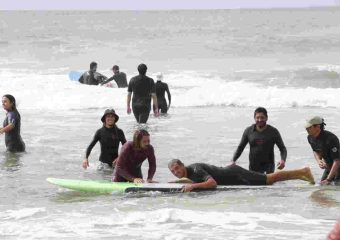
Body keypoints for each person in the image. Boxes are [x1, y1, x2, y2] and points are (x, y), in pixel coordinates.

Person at [168, 159, 315, 192]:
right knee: (269, 180)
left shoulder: (195, 170)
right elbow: (185, 180)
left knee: (270, 179)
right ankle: (300, 176)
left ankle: (303, 171)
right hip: (232, 174)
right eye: (173, 171)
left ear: (182, 165)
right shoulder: (188, 173)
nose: (176, 172)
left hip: (236, 174)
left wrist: (191, 187)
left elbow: (212, 183)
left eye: (177, 168)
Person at [231, 107, 287, 174]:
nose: (260, 120)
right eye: (257, 117)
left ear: (266, 118)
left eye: (262, 117)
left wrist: (283, 160)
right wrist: (233, 160)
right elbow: (240, 147)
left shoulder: (273, 132)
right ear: (254, 118)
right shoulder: (248, 131)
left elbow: (282, 148)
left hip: (268, 170)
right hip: (253, 169)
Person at [305, 116, 340, 185]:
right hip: (329, 166)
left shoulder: (331, 138)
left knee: (336, 188)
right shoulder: (310, 137)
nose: (306, 129)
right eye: (306, 127)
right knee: (322, 187)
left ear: (317, 127)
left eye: (309, 127)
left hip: (338, 166)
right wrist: (319, 160)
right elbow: (316, 150)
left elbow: (337, 160)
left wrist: (328, 179)